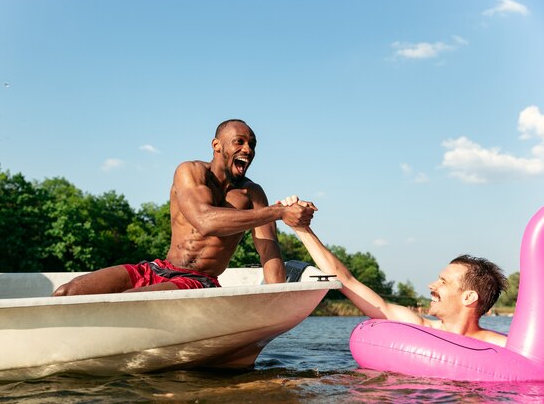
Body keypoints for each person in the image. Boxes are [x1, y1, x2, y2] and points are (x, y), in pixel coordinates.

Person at [52, 120, 316, 296]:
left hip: (199, 281)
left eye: (252, 144)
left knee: (128, 300)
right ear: (217, 146)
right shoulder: (189, 171)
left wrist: (276, 299)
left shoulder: (253, 193)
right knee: (67, 292)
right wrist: (279, 211)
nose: (248, 149)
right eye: (240, 142)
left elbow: (268, 248)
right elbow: (205, 220)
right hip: (157, 269)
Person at [277, 195, 509, 347]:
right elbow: (347, 281)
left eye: (443, 282)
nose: (431, 285)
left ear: (469, 297)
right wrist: (302, 229)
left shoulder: (502, 345)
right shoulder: (417, 327)